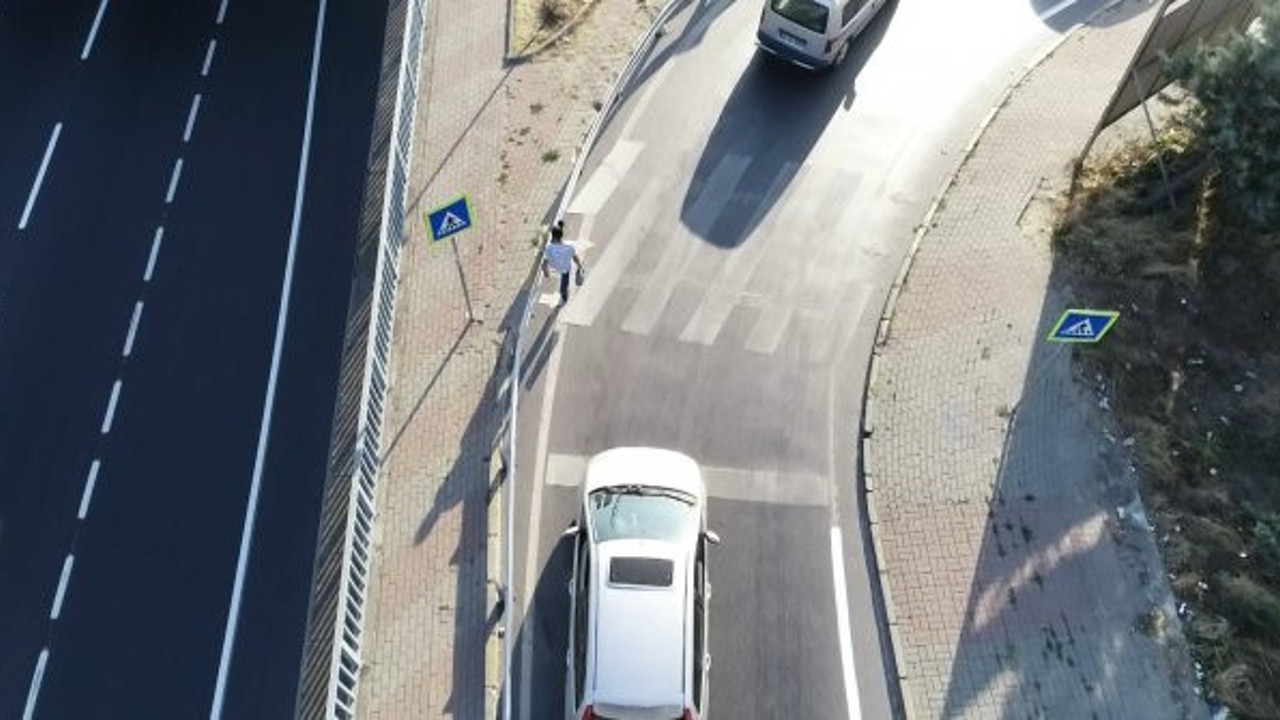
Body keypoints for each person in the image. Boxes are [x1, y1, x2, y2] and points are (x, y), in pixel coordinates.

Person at [541, 220, 584, 305]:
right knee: (564, 286)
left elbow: (544, 263)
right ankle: (564, 296)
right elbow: (575, 258)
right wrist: (579, 266)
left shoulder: (549, 248)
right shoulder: (569, 248)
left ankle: (564, 296)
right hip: (565, 269)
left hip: (557, 268)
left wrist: (546, 273)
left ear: (552, 237)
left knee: (563, 287)